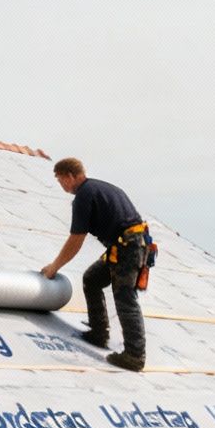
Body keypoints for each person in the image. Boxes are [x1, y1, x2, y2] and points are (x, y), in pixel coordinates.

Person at [41, 157, 149, 372]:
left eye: (60, 180)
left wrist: (54, 268)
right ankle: (99, 333)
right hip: (128, 245)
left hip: (128, 247)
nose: (61, 185)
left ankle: (135, 356)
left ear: (70, 176)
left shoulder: (83, 196)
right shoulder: (101, 188)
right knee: (92, 278)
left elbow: (76, 240)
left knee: (125, 296)